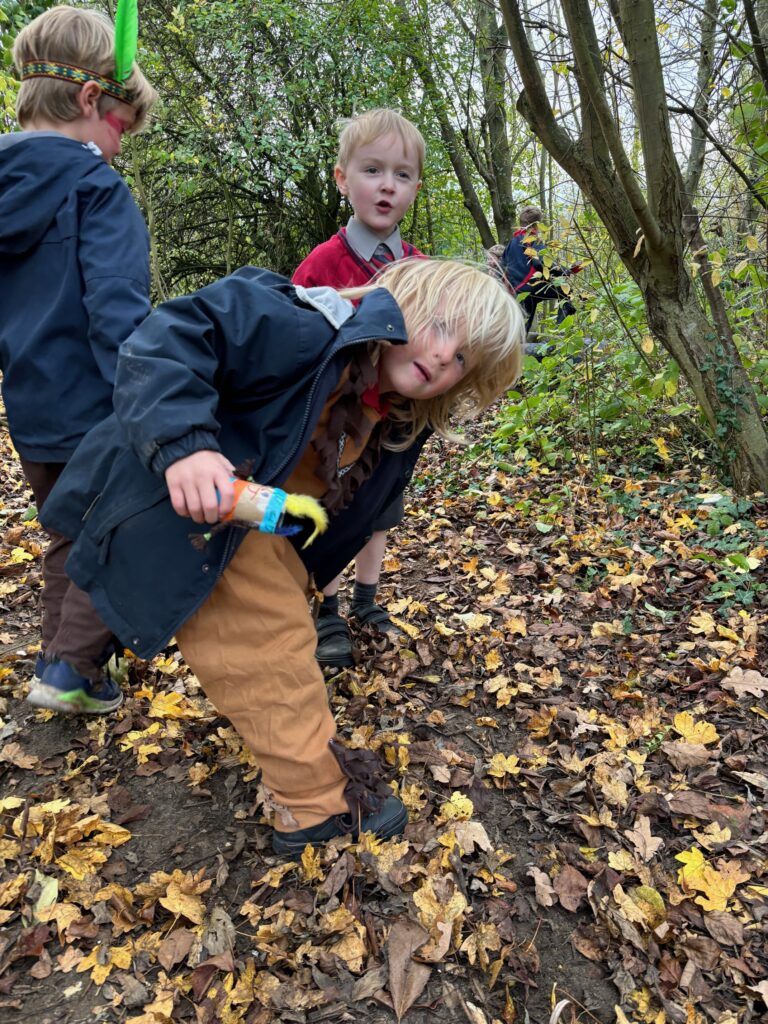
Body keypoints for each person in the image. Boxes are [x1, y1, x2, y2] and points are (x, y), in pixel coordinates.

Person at [40, 259, 525, 855]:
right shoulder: (303, 325)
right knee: (266, 636)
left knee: (280, 618)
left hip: (248, 519)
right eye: (444, 328)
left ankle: (86, 659)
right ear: (405, 298)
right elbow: (166, 340)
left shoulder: (390, 416)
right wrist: (184, 446)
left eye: (463, 362)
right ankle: (313, 805)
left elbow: (342, 503)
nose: (445, 358)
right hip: (183, 501)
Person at [0, 5, 158, 714]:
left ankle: (56, 660)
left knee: (69, 532)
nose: (120, 146)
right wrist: (154, 397)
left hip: (30, 409)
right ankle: (73, 671)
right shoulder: (98, 192)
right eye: (121, 127)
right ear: (92, 100)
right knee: (115, 538)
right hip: (98, 407)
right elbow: (118, 310)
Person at [293, 109, 426, 669]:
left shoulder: (420, 268)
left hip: (396, 421)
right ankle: (328, 604)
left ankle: (368, 600)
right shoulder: (325, 262)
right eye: (373, 170)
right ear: (343, 178)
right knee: (333, 509)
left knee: (380, 509)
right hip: (334, 423)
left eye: (402, 174)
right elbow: (294, 336)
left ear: (415, 188)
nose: (388, 185)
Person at [501, 205, 582, 332]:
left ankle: (517, 348)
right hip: (533, 285)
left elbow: (502, 266)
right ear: (537, 225)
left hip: (518, 290)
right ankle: (560, 335)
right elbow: (542, 263)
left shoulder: (512, 243)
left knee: (523, 326)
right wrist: (568, 270)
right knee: (567, 292)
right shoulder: (533, 239)